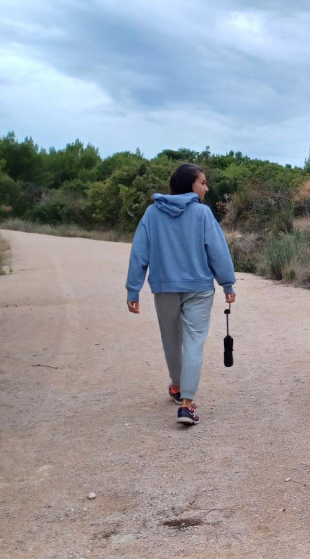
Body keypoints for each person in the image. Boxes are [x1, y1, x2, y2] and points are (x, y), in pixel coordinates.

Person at [125, 164, 236, 426]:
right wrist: (227, 284)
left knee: (171, 340)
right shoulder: (202, 214)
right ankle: (186, 404)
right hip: (199, 287)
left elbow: (139, 251)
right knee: (194, 341)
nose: (206, 188)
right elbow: (217, 251)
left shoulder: (152, 214)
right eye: (203, 183)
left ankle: (177, 386)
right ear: (190, 185)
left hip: (164, 287)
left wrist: (134, 288)